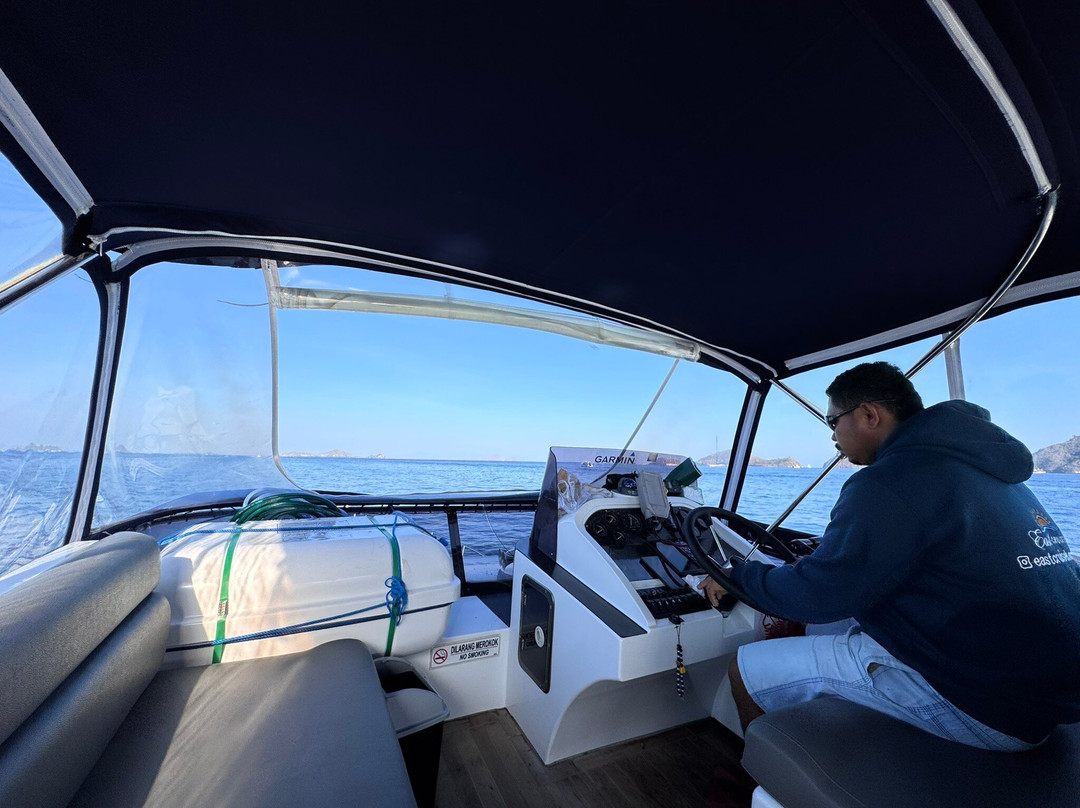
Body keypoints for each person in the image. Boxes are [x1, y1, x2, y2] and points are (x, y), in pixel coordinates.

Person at [698, 361, 1080, 751]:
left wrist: (738, 577)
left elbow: (819, 594)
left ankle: (759, 775)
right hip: (1047, 692)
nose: (832, 435)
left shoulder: (889, 481)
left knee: (746, 668)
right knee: (821, 628)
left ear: (869, 415)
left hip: (990, 707)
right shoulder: (989, 469)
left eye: (833, 422)